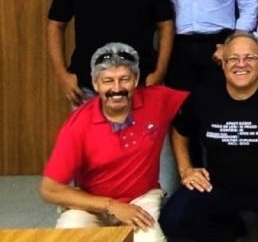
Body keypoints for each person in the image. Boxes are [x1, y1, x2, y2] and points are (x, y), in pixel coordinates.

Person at [40, 43, 188, 241]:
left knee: (150, 239)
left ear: (136, 80)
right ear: (95, 84)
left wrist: (187, 168)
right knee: (69, 235)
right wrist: (110, 205)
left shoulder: (158, 100)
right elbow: (49, 189)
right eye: (108, 81)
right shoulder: (78, 124)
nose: (117, 88)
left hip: (141, 199)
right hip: (91, 203)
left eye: (124, 79)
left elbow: (201, 101)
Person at [159, 32, 258, 241]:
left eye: (249, 58)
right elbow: (180, 131)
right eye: (233, 58)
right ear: (223, 63)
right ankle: (227, 232)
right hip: (217, 185)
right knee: (173, 219)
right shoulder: (204, 95)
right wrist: (186, 169)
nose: (241, 64)